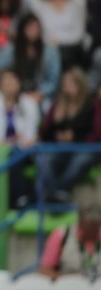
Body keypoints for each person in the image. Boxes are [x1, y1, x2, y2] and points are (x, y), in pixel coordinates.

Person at [0, 68, 40, 207]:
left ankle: (20, 199)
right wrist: (10, 142)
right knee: (12, 155)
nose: (10, 84)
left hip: (24, 152)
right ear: (0, 84)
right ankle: (19, 198)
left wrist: (17, 142)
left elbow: (30, 138)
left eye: (13, 80)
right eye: (6, 81)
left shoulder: (29, 104)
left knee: (17, 154)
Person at [37, 68, 100, 202]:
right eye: (65, 83)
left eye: (71, 82)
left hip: (84, 148)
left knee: (79, 161)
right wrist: (55, 122)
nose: (67, 86)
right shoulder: (57, 105)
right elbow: (44, 133)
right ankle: (52, 194)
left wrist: (74, 137)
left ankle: (60, 191)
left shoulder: (92, 104)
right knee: (45, 160)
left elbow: (97, 133)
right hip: (60, 148)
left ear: (80, 83)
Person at [23, 0, 88, 69]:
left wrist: (57, 42)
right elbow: (39, 33)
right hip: (47, 52)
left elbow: (79, 34)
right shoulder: (39, 3)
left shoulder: (78, 0)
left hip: (73, 51)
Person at [39, 185, 101, 280]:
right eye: (89, 227)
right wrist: (69, 280)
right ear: (80, 220)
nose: (92, 231)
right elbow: (44, 271)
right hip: (67, 286)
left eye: (95, 227)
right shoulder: (62, 235)